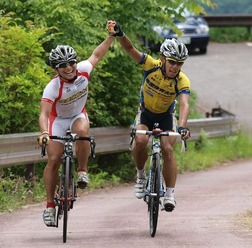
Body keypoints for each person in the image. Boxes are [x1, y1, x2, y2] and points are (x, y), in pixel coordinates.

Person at [106, 20, 191, 212]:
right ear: (162, 58)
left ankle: (169, 194)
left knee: (168, 149)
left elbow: (184, 104)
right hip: (145, 113)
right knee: (141, 139)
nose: (175, 67)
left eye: (179, 63)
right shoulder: (150, 65)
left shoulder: (181, 80)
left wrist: (183, 126)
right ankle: (140, 175)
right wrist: (120, 34)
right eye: (172, 62)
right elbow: (130, 48)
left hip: (166, 116)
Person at [38, 34, 115, 226]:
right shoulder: (53, 87)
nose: (69, 67)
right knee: (54, 159)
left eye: (71, 62)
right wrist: (44, 133)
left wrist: (111, 36)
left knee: (82, 132)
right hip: (57, 120)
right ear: (56, 69)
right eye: (63, 65)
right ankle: (49, 206)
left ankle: (82, 170)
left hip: (77, 115)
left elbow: (97, 54)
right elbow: (44, 114)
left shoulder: (83, 70)